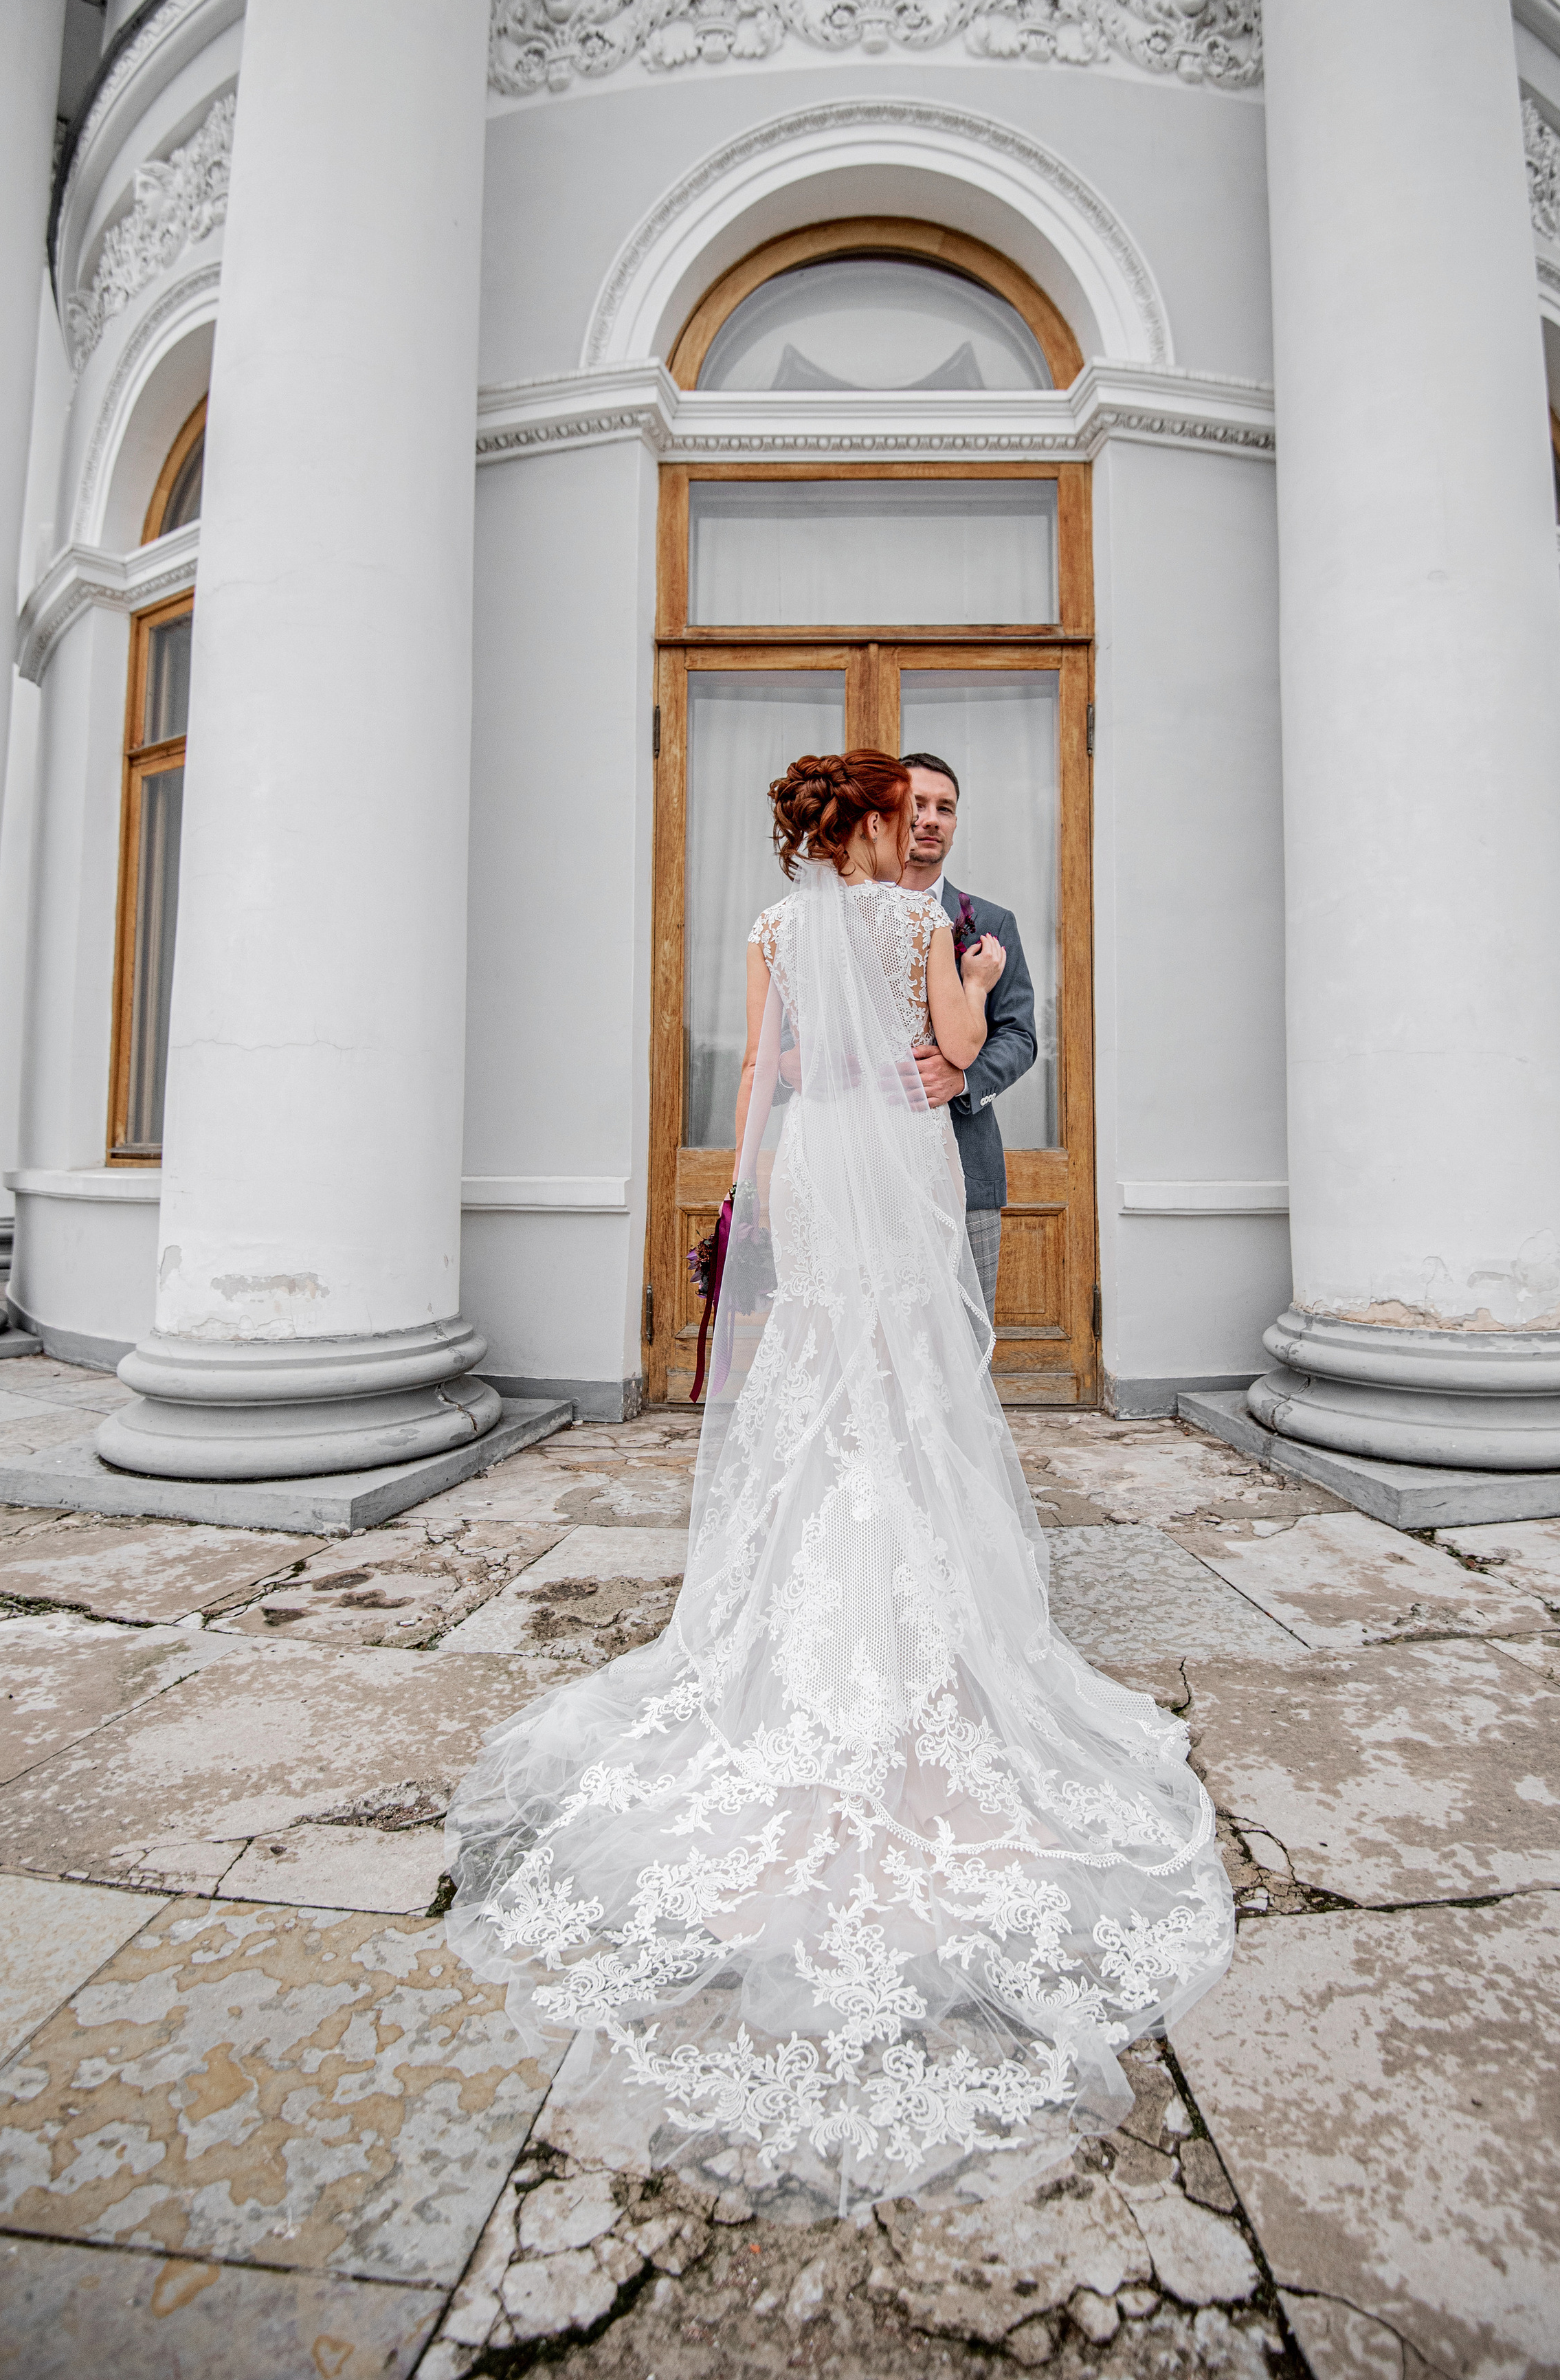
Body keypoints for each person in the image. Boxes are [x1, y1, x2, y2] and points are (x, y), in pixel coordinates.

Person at [445, 750, 1232, 2219]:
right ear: (874, 825)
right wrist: (972, 966)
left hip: (806, 1165)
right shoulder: (914, 921)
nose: (909, 832)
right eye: (898, 814)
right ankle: (920, 1628)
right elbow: (940, 1051)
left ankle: (782, 1630)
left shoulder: (765, 929)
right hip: (895, 1160)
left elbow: (756, 1075)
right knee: (907, 1393)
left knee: (817, 1387)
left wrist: (750, 1199)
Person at [898, 750, 1037, 1324]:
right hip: (866, 1162)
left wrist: (962, 1079)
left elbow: (1021, 1036)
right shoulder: (839, 917)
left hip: (965, 1163)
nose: (931, 819)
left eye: (945, 809)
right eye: (917, 805)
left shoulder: (991, 923)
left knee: (966, 1335)